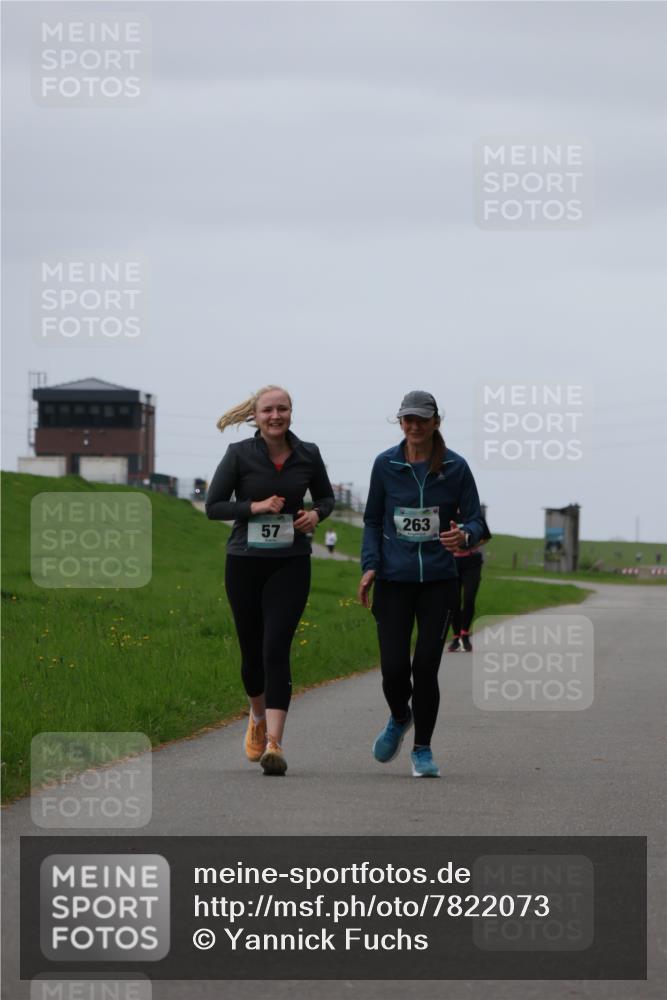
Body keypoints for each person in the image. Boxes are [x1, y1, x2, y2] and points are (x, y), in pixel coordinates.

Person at [206, 385, 335, 775]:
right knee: (251, 653)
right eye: (268, 410)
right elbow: (214, 506)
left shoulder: (308, 454)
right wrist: (254, 506)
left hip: (291, 562)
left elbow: (326, 498)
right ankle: (257, 719)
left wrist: (316, 515)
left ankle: (275, 744)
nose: (275, 416)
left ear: (291, 413)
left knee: (276, 648)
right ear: (256, 416)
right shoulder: (239, 454)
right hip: (244, 562)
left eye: (282, 409)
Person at [358, 390, 485, 778]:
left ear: (435, 422)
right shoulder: (385, 464)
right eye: (406, 419)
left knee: (425, 668)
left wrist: (463, 535)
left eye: (420, 419)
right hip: (394, 581)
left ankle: (422, 750)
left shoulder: (455, 467)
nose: (413, 426)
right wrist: (369, 566)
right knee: (394, 669)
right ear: (400, 422)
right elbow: (373, 521)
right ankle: (400, 716)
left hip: (439, 582)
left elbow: (478, 523)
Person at [448, 515, 492, 653]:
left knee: (469, 599)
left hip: (472, 562)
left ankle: (465, 634)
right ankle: (456, 638)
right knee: (453, 602)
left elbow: (486, 537)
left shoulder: (474, 513)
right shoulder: (446, 509)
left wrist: (469, 546)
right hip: (451, 564)